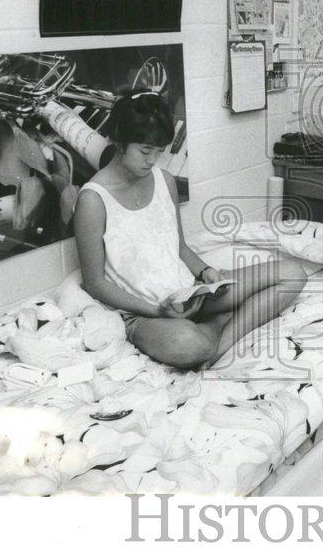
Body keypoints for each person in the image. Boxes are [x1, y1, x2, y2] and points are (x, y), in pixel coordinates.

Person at [74, 89, 306, 369]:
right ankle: (221, 327)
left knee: (293, 274)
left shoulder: (165, 180)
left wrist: (206, 273)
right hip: (146, 312)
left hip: (190, 294)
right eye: (145, 151)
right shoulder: (93, 199)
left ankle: (219, 344)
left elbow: (180, 248)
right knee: (188, 344)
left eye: (159, 152)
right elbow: (95, 283)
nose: (151, 161)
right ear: (120, 142)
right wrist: (157, 311)